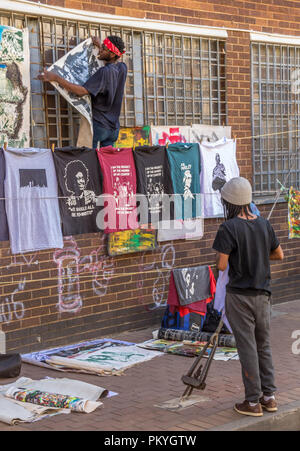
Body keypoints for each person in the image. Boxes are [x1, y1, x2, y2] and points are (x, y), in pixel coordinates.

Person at [212, 177, 284, 417]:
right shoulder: (264, 224)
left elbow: (222, 266)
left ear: (229, 202)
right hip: (263, 295)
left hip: (240, 296)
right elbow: (279, 255)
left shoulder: (228, 228)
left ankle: (252, 401)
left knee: (247, 348)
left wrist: (234, 258)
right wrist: (259, 258)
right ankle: (269, 397)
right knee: (263, 345)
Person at [38, 35, 127, 148]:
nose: (100, 50)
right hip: (113, 129)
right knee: (107, 161)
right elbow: (112, 58)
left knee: (88, 159)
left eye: (104, 49)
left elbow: (81, 91)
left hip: (98, 125)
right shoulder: (123, 68)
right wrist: (100, 45)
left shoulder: (104, 72)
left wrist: (56, 78)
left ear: (113, 54)